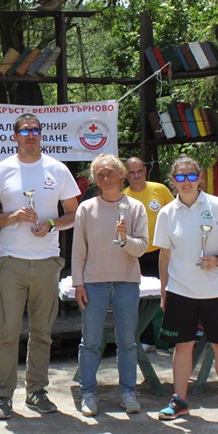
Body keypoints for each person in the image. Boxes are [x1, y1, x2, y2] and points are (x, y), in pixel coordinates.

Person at [0, 113, 80, 420]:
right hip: (11, 261)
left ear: (41, 134)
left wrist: (50, 224)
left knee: (42, 333)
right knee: (8, 332)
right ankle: (3, 395)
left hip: (47, 262)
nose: (30, 135)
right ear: (15, 136)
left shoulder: (57, 169)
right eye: (24, 131)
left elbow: (73, 213)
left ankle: (37, 391)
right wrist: (11, 218)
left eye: (35, 130)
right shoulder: (1, 170)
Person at [153, 155, 218, 423]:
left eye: (191, 176)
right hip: (180, 291)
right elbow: (164, 255)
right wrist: (164, 291)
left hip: (215, 291)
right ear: (172, 181)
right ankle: (179, 401)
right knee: (182, 346)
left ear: (200, 179)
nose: (186, 182)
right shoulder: (166, 213)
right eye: (180, 177)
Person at [72, 154, 149, 416]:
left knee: (127, 342)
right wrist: (78, 283)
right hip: (93, 283)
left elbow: (142, 248)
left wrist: (125, 239)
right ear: (95, 179)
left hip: (127, 282)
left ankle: (128, 392)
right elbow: (78, 250)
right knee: (90, 342)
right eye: (100, 174)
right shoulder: (86, 208)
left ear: (121, 174)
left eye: (110, 173)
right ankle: (88, 393)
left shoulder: (135, 207)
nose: (106, 178)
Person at [124, 156, 175, 350]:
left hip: (162, 252)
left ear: (145, 171)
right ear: (126, 175)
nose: (136, 176)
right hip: (136, 253)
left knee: (168, 294)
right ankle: (146, 340)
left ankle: (171, 339)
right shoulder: (123, 197)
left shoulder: (160, 189)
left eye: (139, 171)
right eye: (132, 172)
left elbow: (175, 214)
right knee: (140, 299)